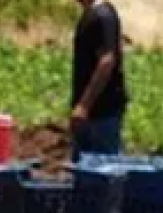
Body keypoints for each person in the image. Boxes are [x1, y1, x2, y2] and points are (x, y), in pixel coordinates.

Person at [70, 0, 128, 161]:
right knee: (84, 173)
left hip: (102, 112)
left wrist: (83, 105)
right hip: (91, 114)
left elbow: (107, 61)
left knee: (103, 172)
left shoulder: (103, 16)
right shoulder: (91, 15)